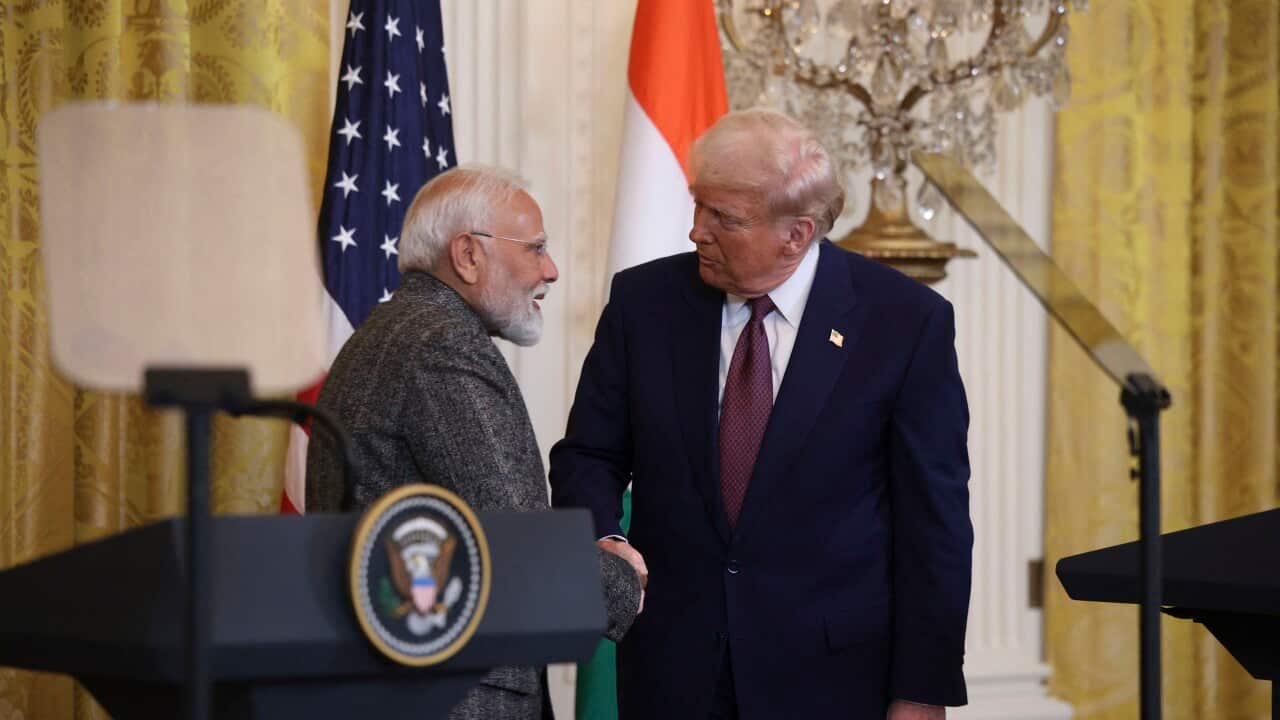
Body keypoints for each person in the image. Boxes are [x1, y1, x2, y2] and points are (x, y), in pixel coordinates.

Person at [549, 109, 972, 720]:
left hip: (831, 681)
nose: (696, 231)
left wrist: (923, 690)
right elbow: (589, 453)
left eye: (724, 218)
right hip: (673, 673)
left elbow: (934, 522)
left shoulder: (903, 322)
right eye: (699, 206)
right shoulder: (645, 303)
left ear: (796, 234)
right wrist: (604, 538)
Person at [306, 165, 641, 720]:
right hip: (453, 692)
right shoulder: (441, 345)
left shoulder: (393, 331)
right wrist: (626, 581)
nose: (551, 270)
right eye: (535, 248)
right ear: (467, 254)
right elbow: (514, 534)